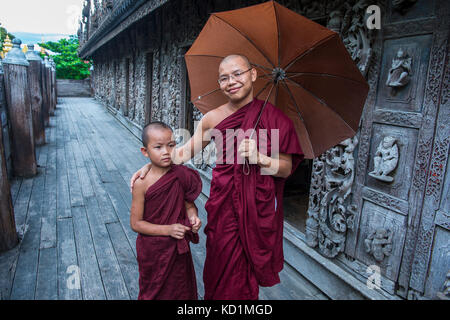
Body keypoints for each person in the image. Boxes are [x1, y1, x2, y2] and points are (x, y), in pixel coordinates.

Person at [131, 55, 304, 300]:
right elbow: (181, 154)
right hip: (224, 207)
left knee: (243, 279)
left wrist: (260, 158)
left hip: (256, 209)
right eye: (224, 78)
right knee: (220, 266)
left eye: (238, 74)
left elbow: (285, 168)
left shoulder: (274, 119)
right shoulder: (213, 118)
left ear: (253, 74)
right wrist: (149, 166)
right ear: (219, 83)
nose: (231, 82)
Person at [130, 121, 202, 300]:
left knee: (180, 290)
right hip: (154, 250)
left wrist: (193, 218)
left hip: (178, 249)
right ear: (145, 152)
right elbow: (135, 223)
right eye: (158, 147)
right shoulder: (142, 182)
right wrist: (168, 229)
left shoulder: (181, 175)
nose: (166, 151)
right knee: (154, 291)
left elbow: (189, 205)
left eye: (170, 145)